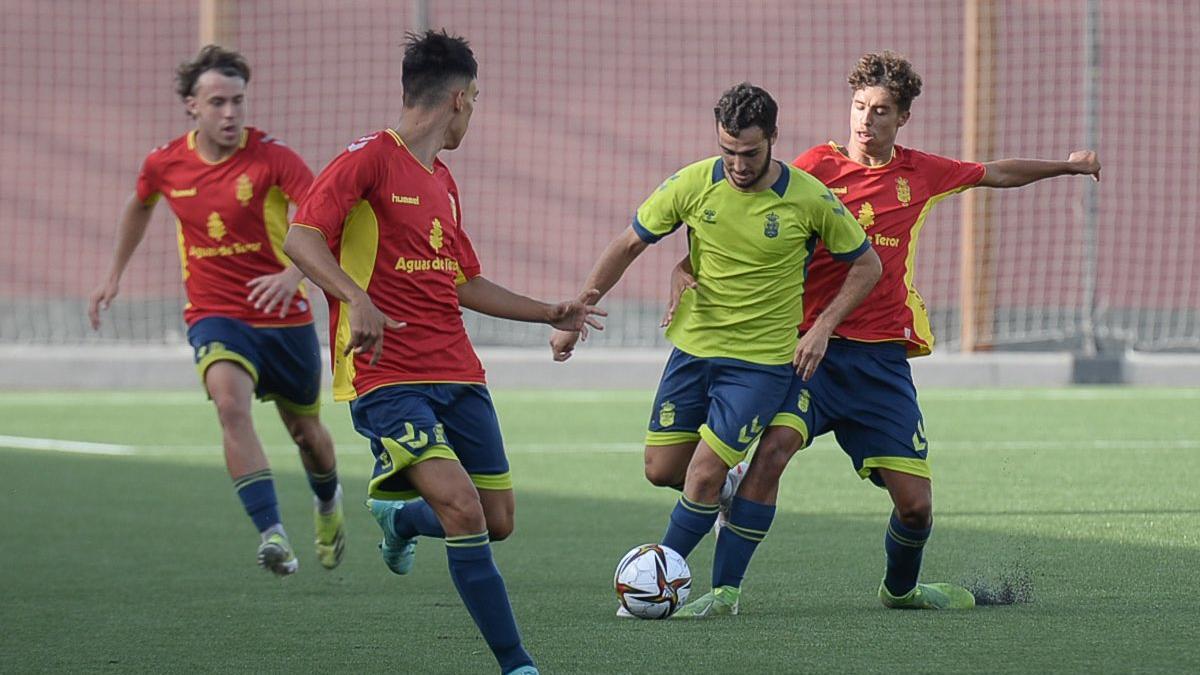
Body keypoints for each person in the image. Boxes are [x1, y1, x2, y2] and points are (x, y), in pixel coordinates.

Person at [672, 51, 1102, 617]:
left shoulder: (919, 173)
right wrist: (689, 263)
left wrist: (1066, 168)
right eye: (858, 107)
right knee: (772, 451)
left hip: (881, 364)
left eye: (879, 111)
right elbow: (746, 221)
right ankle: (725, 590)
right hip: (811, 353)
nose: (864, 120)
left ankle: (901, 590)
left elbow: (994, 173)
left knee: (916, 507)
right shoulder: (814, 169)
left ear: (901, 119)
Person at [284, 30, 603, 675]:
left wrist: (550, 309)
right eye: (477, 99)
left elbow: (462, 281)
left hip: (458, 373)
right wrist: (356, 298)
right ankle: (517, 664)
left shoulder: (444, 182)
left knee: (497, 519)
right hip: (385, 374)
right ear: (458, 98)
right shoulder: (368, 159)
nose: (475, 112)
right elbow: (301, 239)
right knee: (460, 507)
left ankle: (400, 521)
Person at [548, 83, 882, 617]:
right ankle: (729, 488)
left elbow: (868, 265)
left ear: (773, 138)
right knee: (661, 469)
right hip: (692, 352)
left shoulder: (809, 198)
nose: (737, 165)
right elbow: (630, 242)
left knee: (700, 474)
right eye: (728, 151)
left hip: (760, 365)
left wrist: (821, 326)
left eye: (749, 153)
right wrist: (578, 309)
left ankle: (654, 586)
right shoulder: (693, 183)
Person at [88, 45, 346, 577]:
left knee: (308, 435)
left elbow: (325, 215)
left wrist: (293, 273)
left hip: (284, 318)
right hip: (215, 314)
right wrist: (114, 274)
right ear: (192, 106)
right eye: (218, 103)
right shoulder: (164, 163)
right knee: (230, 406)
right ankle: (272, 533)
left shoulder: (274, 158)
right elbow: (139, 205)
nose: (230, 113)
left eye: (238, 102)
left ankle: (327, 502)